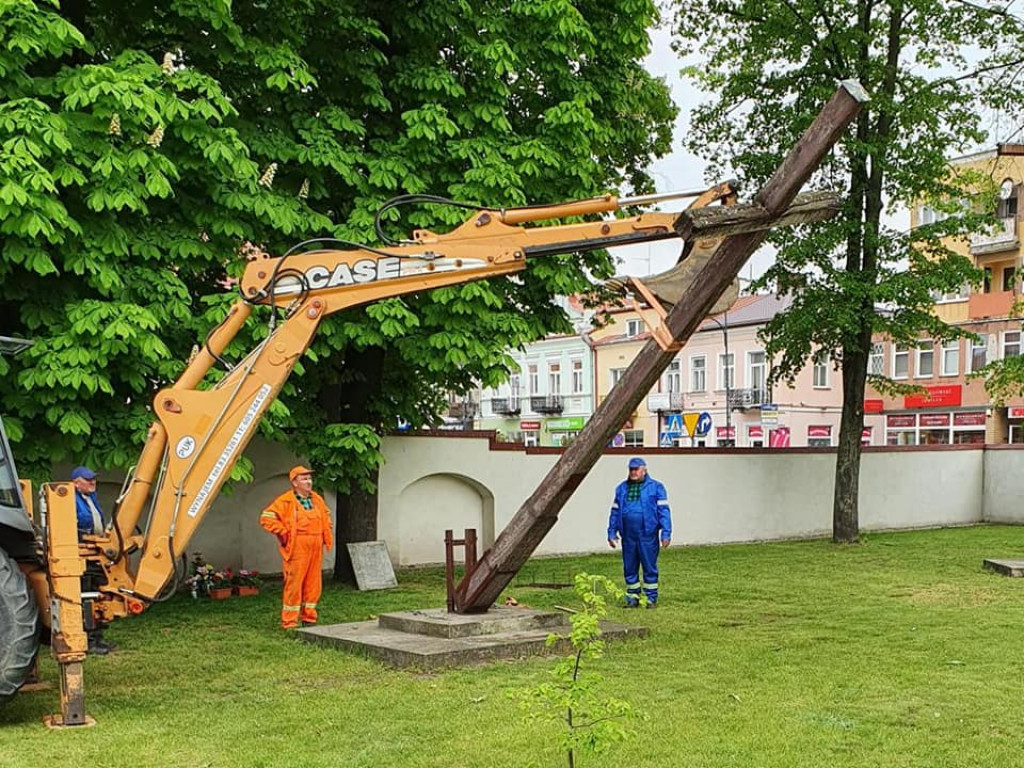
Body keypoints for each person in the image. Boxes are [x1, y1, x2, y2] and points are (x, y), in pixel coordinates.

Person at [259, 465, 334, 629]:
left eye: (309, 478)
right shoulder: (285, 501)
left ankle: (309, 618)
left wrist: (326, 528)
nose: (309, 482)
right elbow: (266, 518)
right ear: (294, 482)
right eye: (304, 479)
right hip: (297, 547)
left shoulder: (317, 499)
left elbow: (326, 515)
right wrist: (283, 532)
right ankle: (290, 621)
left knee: (313, 584)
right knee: (294, 584)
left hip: (316, 546)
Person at [606, 457, 671, 608]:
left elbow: (664, 511)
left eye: (636, 469)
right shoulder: (621, 488)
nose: (633, 472)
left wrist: (666, 533)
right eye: (631, 469)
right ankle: (632, 598)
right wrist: (611, 532)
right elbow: (615, 512)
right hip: (628, 535)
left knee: (649, 566)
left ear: (644, 470)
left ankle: (650, 599)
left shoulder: (656, 487)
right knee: (629, 567)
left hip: (647, 534)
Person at [70, 466, 115, 654]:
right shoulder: (69, 500)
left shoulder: (91, 498)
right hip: (81, 555)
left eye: (93, 479)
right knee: (87, 595)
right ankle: (89, 639)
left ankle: (97, 637)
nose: (92, 482)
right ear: (75, 483)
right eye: (88, 479)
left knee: (97, 592)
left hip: (95, 553)